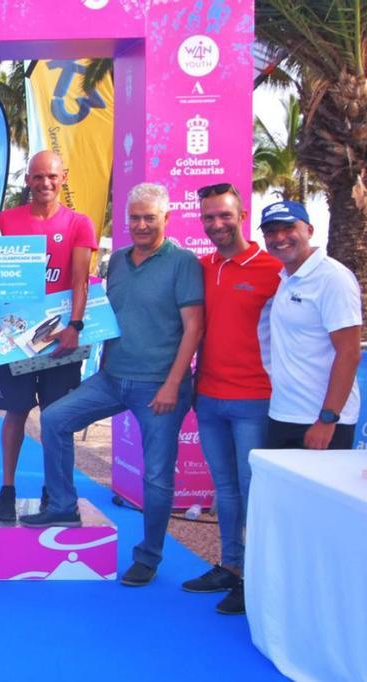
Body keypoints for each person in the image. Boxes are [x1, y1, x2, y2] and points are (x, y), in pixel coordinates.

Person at [19, 183, 203, 589]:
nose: (140, 224)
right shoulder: (117, 261)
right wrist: (67, 335)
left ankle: (149, 556)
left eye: (149, 218)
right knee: (54, 419)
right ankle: (63, 505)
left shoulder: (183, 263)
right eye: (134, 217)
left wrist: (174, 383)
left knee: (156, 477)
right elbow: (101, 314)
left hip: (159, 387)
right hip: (111, 378)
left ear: (166, 219)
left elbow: (194, 328)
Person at [182, 184, 281, 615]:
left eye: (224, 216)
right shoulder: (202, 267)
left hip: (255, 401)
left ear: (242, 215)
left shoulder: (274, 268)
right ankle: (231, 566)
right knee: (224, 490)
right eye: (208, 217)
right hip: (209, 398)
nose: (216, 225)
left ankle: (257, 578)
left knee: (252, 490)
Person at [0, 150, 97, 522]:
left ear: (62, 177)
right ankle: (7, 488)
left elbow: (80, 280)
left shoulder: (79, 223)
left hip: (61, 340)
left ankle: (56, 492)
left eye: (51, 176)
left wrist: (76, 326)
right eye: (37, 177)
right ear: (28, 180)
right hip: (17, 339)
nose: (45, 183)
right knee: (15, 413)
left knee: (57, 418)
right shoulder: (6, 220)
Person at [259, 200, 361, 450]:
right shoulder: (287, 278)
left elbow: (349, 353)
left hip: (321, 420)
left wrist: (327, 418)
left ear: (309, 230)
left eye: (288, 227)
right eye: (270, 231)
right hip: (284, 414)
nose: (279, 237)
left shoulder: (332, 278)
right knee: (281, 490)